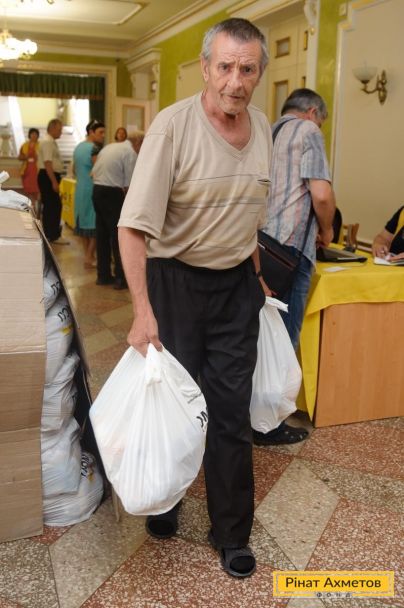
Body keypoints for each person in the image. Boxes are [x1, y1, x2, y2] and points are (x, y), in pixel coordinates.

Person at [118, 18, 272, 578]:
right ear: (205, 68)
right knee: (175, 404)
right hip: (176, 282)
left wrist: (256, 278)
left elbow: (249, 214)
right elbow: (132, 228)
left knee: (231, 411)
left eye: (247, 69)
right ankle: (165, 499)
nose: (235, 80)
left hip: (234, 287)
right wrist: (142, 311)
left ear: (259, 73)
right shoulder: (172, 127)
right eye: (225, 66)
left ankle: (231, 532)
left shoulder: (263, 128)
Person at [253, 88, 336, 447]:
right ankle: (268, 425)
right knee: (283, 340)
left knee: (259, 337)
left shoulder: (266, 131)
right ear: (313, 111)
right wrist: (327, 229)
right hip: (288, 252)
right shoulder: (308, 131)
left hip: (257, 246)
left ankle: (249, 413)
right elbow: (321, 195)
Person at [92, 134, 139, 289]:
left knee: (102, 235)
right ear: (138, 142)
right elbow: (130, 184)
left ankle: (103, 275)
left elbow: (93, 172)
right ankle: (120, 278)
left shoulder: (109, 147)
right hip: (112, 193)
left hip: (97, 190)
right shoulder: (130, 152)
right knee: (118, 237)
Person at [72, 119, 105, 268]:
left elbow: (74, 170)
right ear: (91, 132)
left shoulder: (78, 147)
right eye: (100, 132)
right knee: (94, 223)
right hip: (92, 188)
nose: (103, 135)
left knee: (83, 223)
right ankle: (89, 256)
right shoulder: (94, 149)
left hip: (80, 188)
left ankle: (88, 255)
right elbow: (97, 170)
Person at [37, 118, 69, 245]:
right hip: (48, 175)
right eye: (59, 129)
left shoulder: (50, 141)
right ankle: (53, 235)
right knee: (53, 206)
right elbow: (47, 163)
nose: (61, 132)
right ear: (52, 128)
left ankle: (50, 234)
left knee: (52, 206)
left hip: (49, 175)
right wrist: (54, 182)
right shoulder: (47, 142)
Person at [19, 127, 40, 217]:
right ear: (29, 135)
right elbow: (20, 157)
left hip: (36, 170)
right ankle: (28, 207)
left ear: (38, 135)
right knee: (27, 190)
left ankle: (35, 208)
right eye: (32, 134)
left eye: (35, 134)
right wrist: (26, 156)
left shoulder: (40, 145)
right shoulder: (24, 145)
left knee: (36, 189)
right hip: (26, 170)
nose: (34, 135)